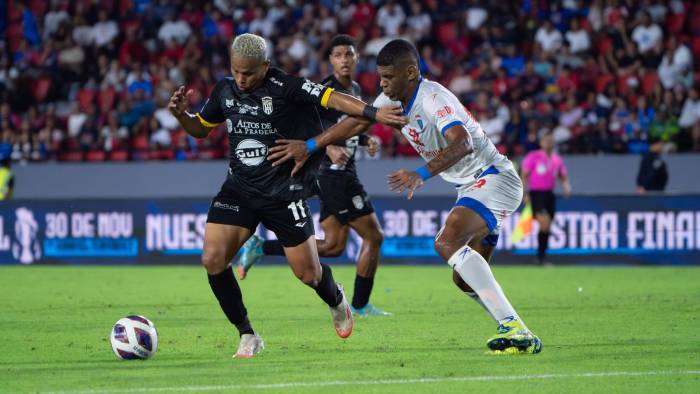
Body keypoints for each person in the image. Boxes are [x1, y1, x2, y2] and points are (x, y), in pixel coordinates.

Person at [268, 39, 542, 354]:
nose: (382, 83)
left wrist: (421, 173)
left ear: (410, 72)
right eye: (380, 77)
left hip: (495, 178)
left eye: (388, 77)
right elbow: (356, 121)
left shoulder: (433, 99)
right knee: (464, 281)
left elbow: (463, 143)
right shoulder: (392, 100)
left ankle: (515, 329)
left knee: (445, 242)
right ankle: (517, 331)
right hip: (471, 185)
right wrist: (312, 145)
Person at [167, 33, 405, 359]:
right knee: (212, 259)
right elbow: (202, 127)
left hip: (284, 192)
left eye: (248, 73)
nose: (241, 79)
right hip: (239, 189)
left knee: (309, 274)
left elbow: (333, 97)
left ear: (265, 66)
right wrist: (183, 116)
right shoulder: (224, 90)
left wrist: (373, 114)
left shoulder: (286, 87)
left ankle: (336, 299)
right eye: (236, 71)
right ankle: (247, 334)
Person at [235, 35, 390, 317]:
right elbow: (308, 125)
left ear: (357, 59)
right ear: (330, 60)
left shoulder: (354, 88)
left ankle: (261, 247)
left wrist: (364, 139)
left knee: (333, 246)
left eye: (349, 54)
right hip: (334, 174)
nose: (344, 60)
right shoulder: (326, 90)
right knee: (374, 236)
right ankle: (361, 304)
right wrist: (328, 146)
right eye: (338, 55)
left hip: (340, 172)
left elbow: (343, 127)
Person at [521, 132, 572, 265]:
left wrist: (566, 186)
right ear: (541, 142)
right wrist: (524, 193)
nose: (549, 142)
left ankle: (541, 257)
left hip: (550, 195)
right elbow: (524, 175)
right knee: (544, 221)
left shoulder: (557, 159)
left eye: (551, 140)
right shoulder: (533, 156)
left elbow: (563, 175)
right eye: (546, 140)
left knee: (547, 226)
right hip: (536, 194)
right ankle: (540, 257)